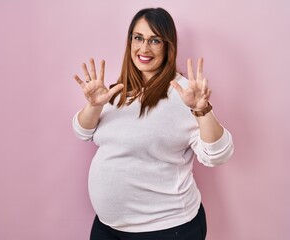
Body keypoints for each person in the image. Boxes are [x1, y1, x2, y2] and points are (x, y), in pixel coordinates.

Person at [72, 7, 234, 240]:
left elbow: (218, 155)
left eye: (155, 40)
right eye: (138, 38)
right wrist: (94, 105)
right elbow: (82, 131)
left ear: (168, 46)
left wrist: (202, 110)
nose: (144, 48)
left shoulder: (184, 93)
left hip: (165, 229)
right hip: (108, 227)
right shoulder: (118, 91)